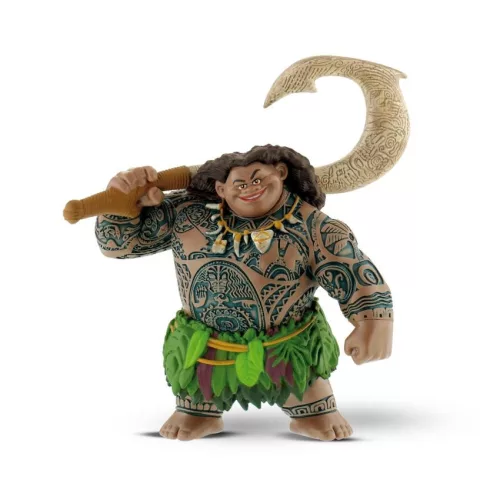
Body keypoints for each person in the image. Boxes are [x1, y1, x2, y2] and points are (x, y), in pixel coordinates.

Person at [95, 145, 393, 441]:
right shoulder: (187, 213)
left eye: (258, 178)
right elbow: (117, 246)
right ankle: (198, 412)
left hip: (287, 345)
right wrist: (122, 206)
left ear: (282, 173)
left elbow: (352, 268)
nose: (250, 187)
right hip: (205, 348)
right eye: (239, 183)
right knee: (197, 390)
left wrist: (373, 321)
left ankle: (314, 411)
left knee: (306, 390)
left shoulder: (313, 226)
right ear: (220, 189)